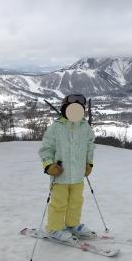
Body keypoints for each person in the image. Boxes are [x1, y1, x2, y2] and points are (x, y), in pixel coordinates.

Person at [39, 94, 96, 242]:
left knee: (76, 202)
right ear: (64, 109)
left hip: (78, 174)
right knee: (59, 203)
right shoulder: (56, 127)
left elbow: (90, 146)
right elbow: (46, 149)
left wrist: (89, 163)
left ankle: (72, 225)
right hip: (60, 175)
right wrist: (48, 165)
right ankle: (55, 228)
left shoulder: (85, 127)